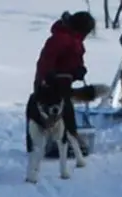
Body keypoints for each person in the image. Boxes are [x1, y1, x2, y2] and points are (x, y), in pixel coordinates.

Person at [32, 10, 96, 153]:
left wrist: (79, 70)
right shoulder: (61, 39)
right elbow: (46, 60)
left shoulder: (74, 40)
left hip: (63, 81)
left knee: (64, 104)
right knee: (63, 105)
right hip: (48, 83)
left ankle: (66, 136)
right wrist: (48, 76)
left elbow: (73, 61)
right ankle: (70, 136)